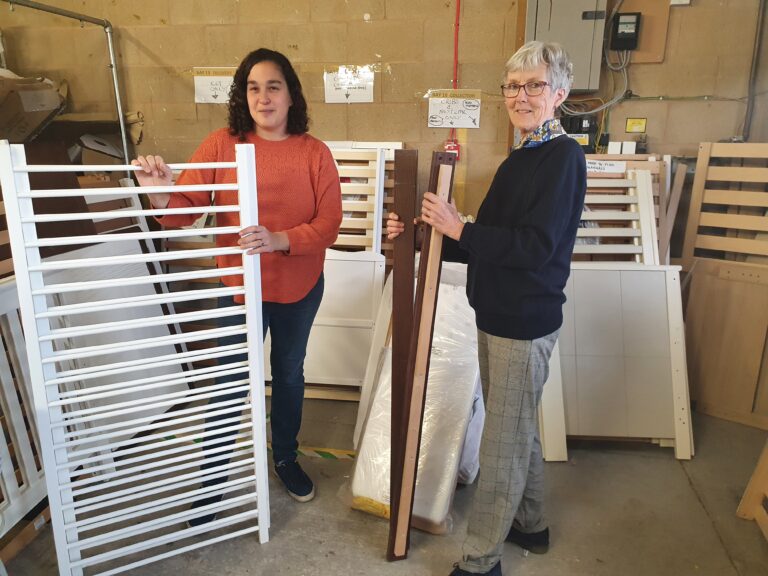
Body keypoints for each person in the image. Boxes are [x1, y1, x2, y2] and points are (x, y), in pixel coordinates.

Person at [386, 41, 586, 576]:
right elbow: (482, 239)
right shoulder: (520, 157)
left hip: (523, 322)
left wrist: (461, 228)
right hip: (497, 315)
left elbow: (534, 246)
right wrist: (423, 236)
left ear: (559, 94)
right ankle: (532, 524)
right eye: (513, 86)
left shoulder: (562, 158)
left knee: (502, 443)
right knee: (517, 427)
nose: (521, 96)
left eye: (535, 85)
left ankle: (481, 560)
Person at [132, 48, 342, 520]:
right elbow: (182, 214)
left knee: (288, 374)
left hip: (299, 287)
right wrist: (158, 188)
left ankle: (284, 458)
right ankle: (212, 480)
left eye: (273, 87)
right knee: (229, 380)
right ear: (242, 95)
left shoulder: (314, 153)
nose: (263, 97)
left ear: (291, 96)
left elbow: (329, 223)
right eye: (253, 87)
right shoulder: (220, 145)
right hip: (239, 288)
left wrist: (279, 238)